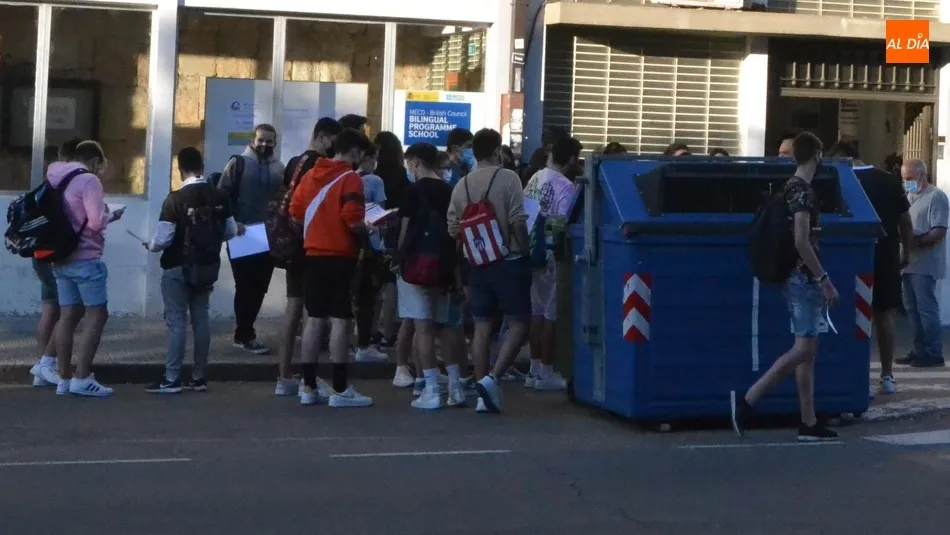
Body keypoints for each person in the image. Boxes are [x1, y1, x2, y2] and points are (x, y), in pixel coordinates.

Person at [731, 132, 840, 441]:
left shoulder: (788, 187)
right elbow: (802, 241)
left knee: (807, 350)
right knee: (805, 348)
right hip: (802, 277)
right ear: (817, 154)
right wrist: (825, 280)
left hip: (793, 276)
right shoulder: (803, 193)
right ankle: (749, 399)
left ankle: (808, 421)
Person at [447, 128, 532, 414]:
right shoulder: (508, 178)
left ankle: (483, 394)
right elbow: (518, 220)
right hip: (508, 261)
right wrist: (526, 251)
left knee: (482, 326)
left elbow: (453, 228)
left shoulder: (462, 185)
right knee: (520, 322)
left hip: (476, 263)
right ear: (497, 151)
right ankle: (493, 378)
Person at [143, 147, 240, 393]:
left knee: (177, 323)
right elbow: (230, 232)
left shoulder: (175, 199)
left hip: (177, 267)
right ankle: (199, 376)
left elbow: (163, 239)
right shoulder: (220, 197)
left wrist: (151, 245)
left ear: (180, 169)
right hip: (207, 268)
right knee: (201, 320)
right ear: (202, 167)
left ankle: (172, 377)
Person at [289, 128, 374, 408]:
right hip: (341, 256)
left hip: (312, 254)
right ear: (354, 152)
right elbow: (352, 219)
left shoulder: (311, 175)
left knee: (314, 319)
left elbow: (295, 212)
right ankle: (339, 388)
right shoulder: (351, 179)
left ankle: (308, 386)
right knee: (340, 319)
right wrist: (368, 227)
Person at [828, 141, 912, 394]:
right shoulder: (888, 180)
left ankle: (853, 373)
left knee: (846, 315)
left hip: (848, 256)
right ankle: (887, 375)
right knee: (884, 316)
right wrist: (906, 251)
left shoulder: (838, 179)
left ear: (840, 159)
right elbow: (905, 220)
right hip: (885, 254)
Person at [51, 140, 125, 397]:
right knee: (97, 314)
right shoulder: (89, 180)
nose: (100, 170)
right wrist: (111, 215)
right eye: (100, 165)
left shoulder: (56, 178)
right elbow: (95, 222)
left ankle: (63, 379)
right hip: (85, 258)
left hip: (61, 257)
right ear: (95, 161)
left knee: (67, 316)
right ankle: (82, 377)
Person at [396, 142, 467, 409]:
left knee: (423, 328)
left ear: (415, 162)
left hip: (416, 265)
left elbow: (405, 231)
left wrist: (399, 259)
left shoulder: (412, 191)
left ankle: (432, 389)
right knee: (444, 327)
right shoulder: (449, 190)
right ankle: (456, 387)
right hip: (443, 265)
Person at [274, 117, 341, 397]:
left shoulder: (294, 162)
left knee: (293, 307)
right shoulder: (320, 165)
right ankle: (307, 379)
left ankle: (284, 376)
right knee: (312, 314)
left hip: (290, 242)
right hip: (310, 243)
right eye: (333, 141)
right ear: (322, 136)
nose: (335, 147)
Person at [218, 123, 285, 355]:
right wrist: (231, 223)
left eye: (269, 141)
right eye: (261, 140)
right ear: (252, 140)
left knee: (259, 287)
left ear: (275, 142)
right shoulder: (238, 163)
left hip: (267, 236)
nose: (264, 144)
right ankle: (244, 334)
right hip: (241, 234)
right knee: (245, 285)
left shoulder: (279, 168)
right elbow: (222, 195)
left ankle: (246, 332)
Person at [524, 137, 581, 391]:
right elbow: (561, 223)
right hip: (551, 256)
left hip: (531, 251)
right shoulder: (566, 186)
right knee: (551, 314)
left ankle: (534, 368)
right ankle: (546, 371)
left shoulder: (536, 178)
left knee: (535, 311)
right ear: (571, 159)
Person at [28, 137, 83, 389]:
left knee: (51, 307)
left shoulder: (48, 182)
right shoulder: (68, 183)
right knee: (66, 309)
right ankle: (47, 365)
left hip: (40, 252)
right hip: (55, 254)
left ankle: (43, 368)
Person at [898, 159, 948, 368]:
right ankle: (919, 350)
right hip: (908, 263)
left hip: (925, 264)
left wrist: (916, 241)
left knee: (926, 309)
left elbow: (939, 231)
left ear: (922, 175)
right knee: (912, 309)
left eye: (910, 178)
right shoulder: (909, 197)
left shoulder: (936, 197)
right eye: (904, 179)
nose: (907, 182)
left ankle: (933, 352)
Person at [353, 144, 390, 362]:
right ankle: (364, 343)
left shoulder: (346, 178)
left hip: (350, 244)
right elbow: (381, 216)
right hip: (371, 245)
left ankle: (346, 343)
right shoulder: (375, 181)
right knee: (369, 297)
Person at [374, 131, 409, 354]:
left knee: (374, 286)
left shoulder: (374, 175)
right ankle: (387, 332)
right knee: (391, 284)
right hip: (393, 232)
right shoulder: (401, 175)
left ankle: (370, 330)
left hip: (373, 232)